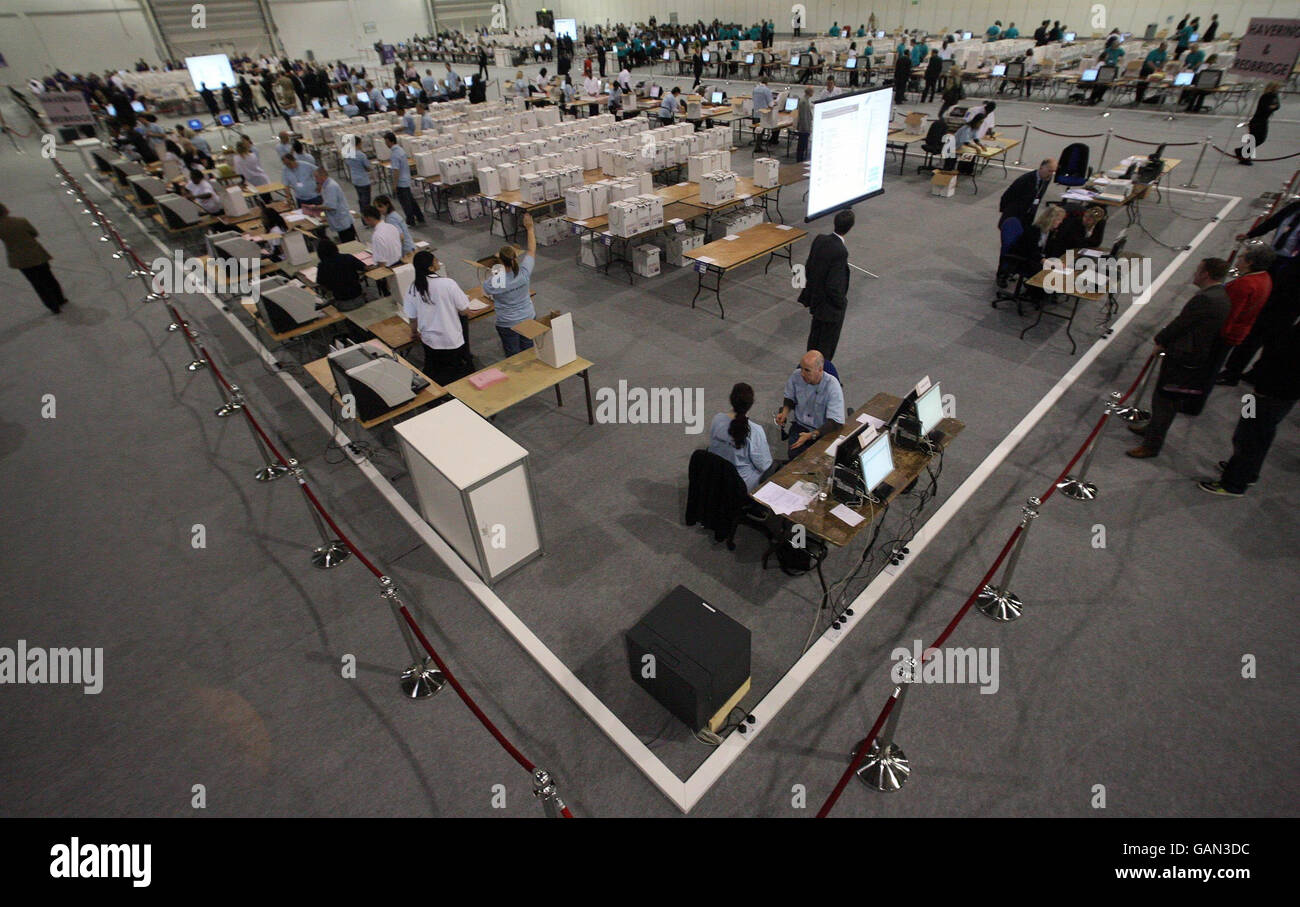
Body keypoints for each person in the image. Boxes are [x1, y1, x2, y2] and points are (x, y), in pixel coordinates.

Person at [1126, 258, 1231, 459]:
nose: (1195, 273)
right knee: (1165, 400)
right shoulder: (1220, 297)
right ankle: (1152, 429)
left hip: (1184, 358)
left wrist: (1161, 340)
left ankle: (1151, 445)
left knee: (1165, 401)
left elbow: (1181, 324)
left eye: (1198, 270)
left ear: (1206, 274)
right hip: (1192, 356)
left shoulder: (1206, 299)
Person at [1199, 320, 1299, 496]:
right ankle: (1247, 472)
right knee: (1261, 434)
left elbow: (1282, 359)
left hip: (1270, 393)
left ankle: (1233, 482)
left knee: (1248, 436)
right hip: (1274, 393)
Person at [404, 249, 472, 385]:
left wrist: (414, 333)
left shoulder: (413, 288)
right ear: (430, 267)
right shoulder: (448, 284)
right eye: (435, 260)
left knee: (436, 371)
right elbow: (464, 310)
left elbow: (412, 317)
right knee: (456, 373)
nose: (438, 261)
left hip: (430, 340)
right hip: (451, 338)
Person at [799, 210, 855, 361]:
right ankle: (822, 377)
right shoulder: (841, 252)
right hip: (830, 308)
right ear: (850, 228)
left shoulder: (820, 239)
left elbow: (809, 266)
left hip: (816, 301)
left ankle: (807, 368)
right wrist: (841, 303)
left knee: (814, 339)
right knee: (826, 345)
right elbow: (833, 285)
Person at [482, 213, 537, 357]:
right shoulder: (524, 272)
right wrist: (530, 229)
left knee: (513, 356)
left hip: (507, 322)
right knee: (530, 351)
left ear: (500, 260)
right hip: (528, 316)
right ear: (515, 258)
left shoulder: (496, 281)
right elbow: (531, 250)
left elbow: (486, 289)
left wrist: (497, 269)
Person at [775, 351, 846, 459]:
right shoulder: (796, 376)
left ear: (820, 370)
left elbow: (835, 422)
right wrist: (785, 412)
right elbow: (789, 397)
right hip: (800, 426)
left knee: (819, 463)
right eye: (801, 368)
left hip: (822, 430)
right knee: (795, 458)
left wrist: (812, 435)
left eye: (807, 370)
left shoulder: (832, 386)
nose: (802, 373)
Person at [0, 202, 68, 314]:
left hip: (19, 259)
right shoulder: (21, 221)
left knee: (37, 283)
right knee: (48, 277)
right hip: (35, 253)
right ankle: (60, 298)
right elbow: (34, 233)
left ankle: (52, 306)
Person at [1008, 205, 1067, 284]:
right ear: (1051, 219)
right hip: (1023, 259)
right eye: (1059, 219)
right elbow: (1030, 252)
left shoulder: (1051, 232)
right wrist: (1047, 262)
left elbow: (1049, 249)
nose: (1061, 222)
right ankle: (1035, 292)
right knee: (1049, 274)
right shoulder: (1033, 230)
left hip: (1036, 259)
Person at [312, 237, 368, 312]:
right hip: (358, 298)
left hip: (341, 302)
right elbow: (364, 268)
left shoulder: (322, 266)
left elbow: (321, 283)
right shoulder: (348, 257)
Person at [999, 158, 1056, 228]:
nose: (1051, 174)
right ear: (1041, 167)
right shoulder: (1025, 179)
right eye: (1049, 171)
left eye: (1053, 171)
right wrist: (1005, 211)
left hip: (1029, 214)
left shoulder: (1047, 179)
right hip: (1015, 213)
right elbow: (1007, 196)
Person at [383, 132, 425, 226]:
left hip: (401, 182)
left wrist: (394, 185)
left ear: (391, 141)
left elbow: (396, 171)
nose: (386, 144)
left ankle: (411, 221)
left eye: (386, 142)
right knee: (411, 200)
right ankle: (420, 217)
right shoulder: (401, 150)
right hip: (406, 179)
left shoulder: (394, 154)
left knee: (406, 203)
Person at [1236, 83, 1280, 165]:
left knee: (1259, 139)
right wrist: (1272, 106)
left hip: (1263, 120)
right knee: (1256, 139)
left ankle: (1242, 152)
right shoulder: (1266, 96)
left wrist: (1273, 106)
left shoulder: (1274, 96)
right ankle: (1244, 155)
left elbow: (1277, 106)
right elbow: (1266, 107)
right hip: (1258, 121)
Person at [312, 167, 356, 243]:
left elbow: (331, 206)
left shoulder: (331, 186)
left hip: (341, 219)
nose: (315, 179)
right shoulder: (325, 185)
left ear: (322, 176)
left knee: (349, 243)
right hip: (337, 219)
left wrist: (315, 208)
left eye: (316, 177)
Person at [345, 143, 373, 211]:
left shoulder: (348, 154)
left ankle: (363, 216)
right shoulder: (361, 155)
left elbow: (347, 164)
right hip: (364, 180)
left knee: (361, 199)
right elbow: (368, 168)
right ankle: (367, 216)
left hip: (355, 179)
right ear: (358, 144)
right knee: (366, 201)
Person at [795, 85, 814, 163]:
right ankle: (799, 160)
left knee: (803, 145)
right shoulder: (803, 102)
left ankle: (801, 158)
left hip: (805, 127)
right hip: (804, 128)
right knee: (801, 146)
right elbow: (803, 117)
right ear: (810, 92)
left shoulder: (806, 100)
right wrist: (807, 129)